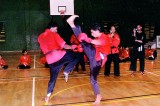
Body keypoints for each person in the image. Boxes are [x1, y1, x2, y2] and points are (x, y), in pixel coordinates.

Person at [67, 15, 111, 105]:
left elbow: (98, 43)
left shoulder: (104, 37)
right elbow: (93, 44)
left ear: (98, 30)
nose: (91, 33)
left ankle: (98, 96)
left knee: (84, 41)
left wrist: (88, 39)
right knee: (92, 79)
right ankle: (98, 95)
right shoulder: (97, 37)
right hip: (94, 58)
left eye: (92, 32)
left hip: (98, 60)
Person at [38, 21, 78, 103]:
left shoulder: (40, 36)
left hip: (50, 61)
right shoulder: (54, 34)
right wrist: (71, 47)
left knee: (52, 79)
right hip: (58, 56)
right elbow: (64, 45)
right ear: (52, 27)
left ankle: (48, 96)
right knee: (77, 56)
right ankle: (67, 70)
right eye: (56, 29)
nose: (56, 31)